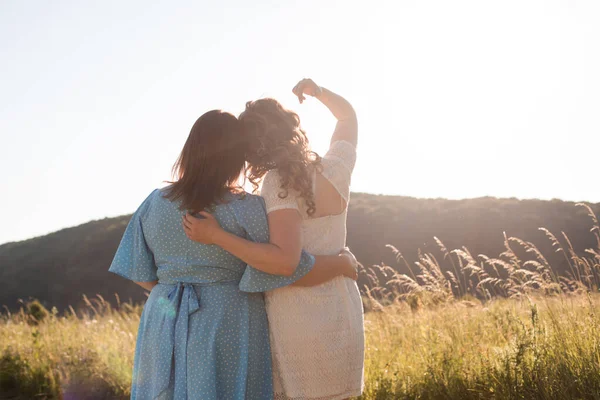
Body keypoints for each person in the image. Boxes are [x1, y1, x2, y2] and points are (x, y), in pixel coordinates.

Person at [109, 110, 357, 400]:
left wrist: (172, 294)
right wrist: (340, 263)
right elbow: (288, 265)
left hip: (162, 321)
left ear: (190, 149)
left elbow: (139, 272)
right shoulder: (246, 208)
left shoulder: (153, 204)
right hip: (227, 320)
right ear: (235, 158)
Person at [183, 79, 364, 400]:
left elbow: (285, 262)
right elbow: (348, 118)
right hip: (343, 312)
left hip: (299, 321)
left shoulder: (277, 182)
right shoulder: (336, 167)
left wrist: (215, 235)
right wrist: (318, 92)